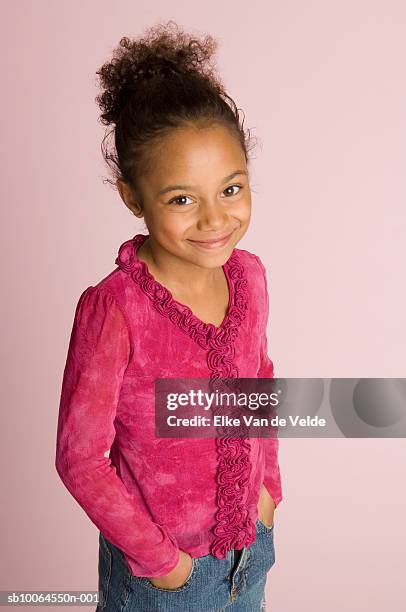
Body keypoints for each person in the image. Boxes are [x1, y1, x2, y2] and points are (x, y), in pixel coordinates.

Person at [55, 20, 283, 612]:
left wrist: (267, 488)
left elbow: (258, 379)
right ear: (134, 197)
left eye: (231, 189)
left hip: (250, 549)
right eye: (182, 198)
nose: (214, 219)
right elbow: (80, 458)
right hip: (165, 579)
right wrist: (163, 564)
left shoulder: (250, 277)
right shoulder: (115, 309)